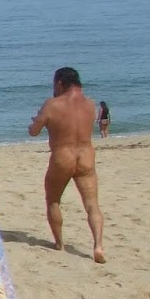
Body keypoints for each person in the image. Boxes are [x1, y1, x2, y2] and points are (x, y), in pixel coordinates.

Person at [29, 67, 106, 263]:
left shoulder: (52, 104)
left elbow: (34, 131)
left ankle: (59, 243)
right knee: (92, 204)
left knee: (53, 200)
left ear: (59, 83)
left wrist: (36, 121)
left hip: (63, 156)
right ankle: (98, 245)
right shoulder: (90, 104)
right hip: (86, 156)